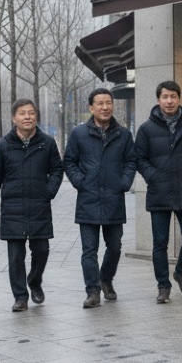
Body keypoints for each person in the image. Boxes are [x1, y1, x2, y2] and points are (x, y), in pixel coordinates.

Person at [0, 99, 64, 312]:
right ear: (13, 118)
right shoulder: (3, 145)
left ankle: (34, 281)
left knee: (42, 251)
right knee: (16, 257)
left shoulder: (47, 143)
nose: (27, 117)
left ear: (36, 116)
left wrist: (49, 191)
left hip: (39, 206)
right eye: (22, 113)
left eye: (31, 113)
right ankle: (20, 297)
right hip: (13, 209)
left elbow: (57, 169)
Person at [134, 80, 182, 304]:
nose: (169, 101)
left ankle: (181, 272)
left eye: (173, 96)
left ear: (179, 98)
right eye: (165, 97)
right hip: (159, 191)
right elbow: (139, 158)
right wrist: (153, 176)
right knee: (160, 243)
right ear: (158, 100)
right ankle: (163, 286)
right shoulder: (146, 129)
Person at [64, 88, 136, 308]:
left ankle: (106, 278)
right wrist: (80, 182)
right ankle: (93, 291)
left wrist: (124, 183)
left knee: (114, 247)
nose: (105, 107)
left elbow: (131, 161)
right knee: (89, 250)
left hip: (114, 199)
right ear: (91, 107)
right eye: (100, 103)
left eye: (108, 103)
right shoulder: (79, 134)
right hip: (88, 199)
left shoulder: (123, 135)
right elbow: (69, 162)